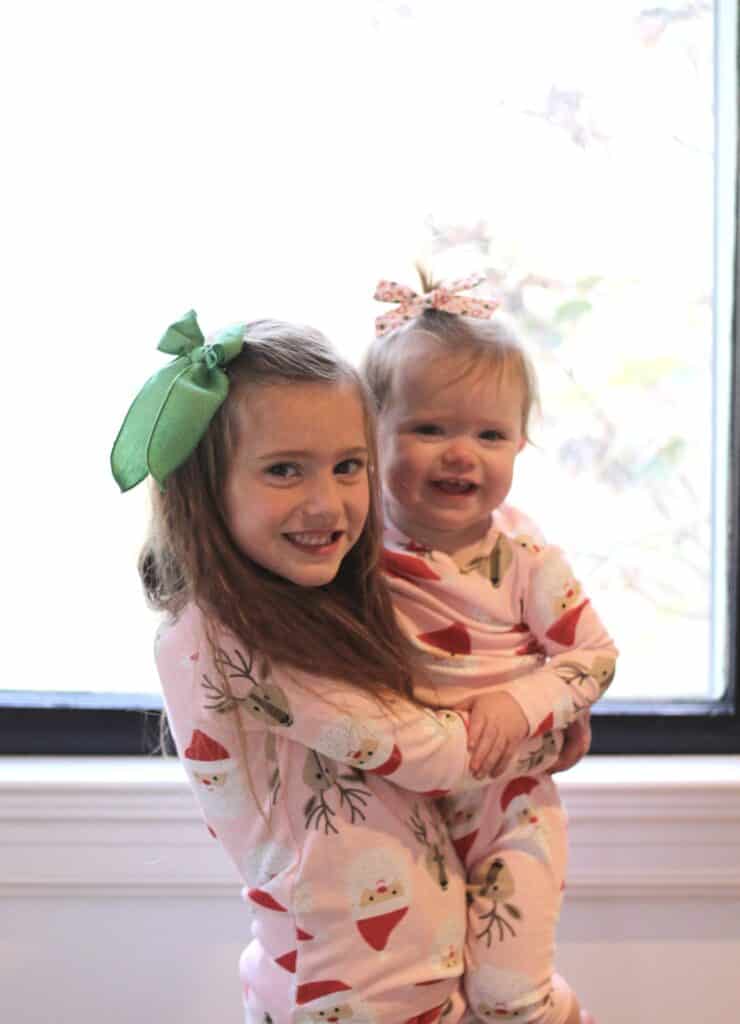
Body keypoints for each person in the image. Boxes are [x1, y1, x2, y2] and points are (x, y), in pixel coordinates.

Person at [111, 311, 518, 1024]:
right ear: (206, 488)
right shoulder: (227, 638)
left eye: (348, 466)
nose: (326, 502)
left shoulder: (310, 609)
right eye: (283, 470)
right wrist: (538, 726)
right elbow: (428, 752)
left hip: (401, 982)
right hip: (341, 991)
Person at [362, 273, 616, 1024]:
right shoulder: (355, 548)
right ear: (371, 433)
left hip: (511, 806)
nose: (459, 456)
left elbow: (593, 656)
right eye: (429, 429)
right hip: (399, 805)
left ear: (521, 444)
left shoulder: (527, 557)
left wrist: (526, 702)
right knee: (422, 997)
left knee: (509, 998)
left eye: (490, 435)